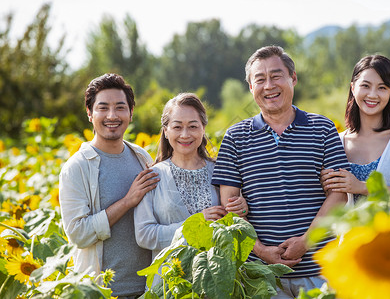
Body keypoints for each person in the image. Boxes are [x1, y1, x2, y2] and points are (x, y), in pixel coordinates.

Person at [211, 46, 350, 298]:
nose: (269, 86)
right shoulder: (235, 137)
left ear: (293, 78)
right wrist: (262, 251)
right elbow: (228, 205)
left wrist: (305, 242)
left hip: (321, 271)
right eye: (260, 79)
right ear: (251, 88)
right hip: (262, 277)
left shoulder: (322, 128)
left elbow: (339, 195)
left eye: (276, 76)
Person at [59, 73, 159, 298]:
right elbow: (78, 234)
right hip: (102, 292)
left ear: (131, 113)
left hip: (149, 290)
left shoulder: (142, 157)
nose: (112, 116)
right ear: (89, 114)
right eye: (103, 108)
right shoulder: (77, 167)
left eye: (120, 107)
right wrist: (127, 202)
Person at [134, 93, 247, 280]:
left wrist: (242, 209)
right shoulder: (152, 176)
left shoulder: (221, 171)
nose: (185, 134)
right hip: (169, 283)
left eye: (193, 126)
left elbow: (234, 224)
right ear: (165, 130)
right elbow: (144, 235)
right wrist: (194, 224)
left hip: (216, 281)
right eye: (177, 127)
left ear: (203, 128)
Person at [320, 55, 390, 215]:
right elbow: (335, 204)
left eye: (382, 88)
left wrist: (361, 187)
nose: (373, 95)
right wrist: (327, 186)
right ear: (353, 88)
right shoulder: (337, 140)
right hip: (351, 237)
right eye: (365, 86)